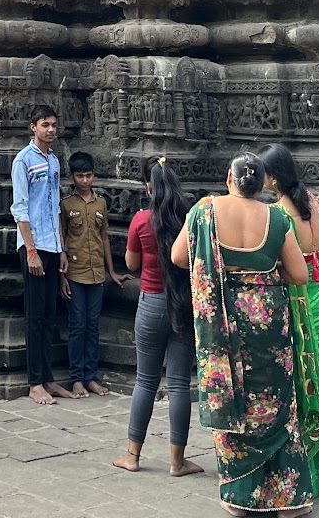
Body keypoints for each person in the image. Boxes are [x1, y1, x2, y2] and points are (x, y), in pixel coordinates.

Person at [172, 152, 313, 515]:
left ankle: (240, 497)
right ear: (264, 181)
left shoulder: (204, 212)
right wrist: (262, 277)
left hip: (221, 324)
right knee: (275, 402)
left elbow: (178, 257)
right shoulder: (277, 217)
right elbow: (299, 276)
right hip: (267, 323)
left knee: (233, 398)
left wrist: (221, 272)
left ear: (228, 179)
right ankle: (288, 500)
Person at [261, 146, 319, 496]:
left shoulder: (279, 213)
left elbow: (274, 260)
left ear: (272, 177)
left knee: (300, 378)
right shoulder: (314, 206)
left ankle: (307, 470)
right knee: (314, 370)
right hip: (316, 295)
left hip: (295, 298)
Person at [113, 157, 202, 479]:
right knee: (179, 384)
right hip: (182, 306)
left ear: (148, 187)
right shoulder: (188, 218)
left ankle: (132, 454)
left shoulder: (141, 220)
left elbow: (132, 265)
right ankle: (178, 462)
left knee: (145, 381)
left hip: (150, 304)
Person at [10, 104, 73, 406]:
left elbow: (55, 206)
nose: (51, 130)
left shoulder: (54, 161)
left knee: (50, 315)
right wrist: (31, 250)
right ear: (32, 127)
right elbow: (20, 209)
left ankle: (48, 378)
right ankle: (34, 382)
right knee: (35, 316)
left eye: (53, 125)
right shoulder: (23, 160)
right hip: (33, 246)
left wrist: (61, 250)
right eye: (45, 124)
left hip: (52, 245)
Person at [59, 151, 125, 398]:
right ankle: (76, 378)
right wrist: (61, 277)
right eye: (80, 176)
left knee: (93, 326)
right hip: (74, 273)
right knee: (78, 325)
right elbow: (61, 239)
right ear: (72, 176)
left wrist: (112, 271)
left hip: (97, 273)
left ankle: (91, 376)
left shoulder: (101, 203)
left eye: (88, 175)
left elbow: (104, 237)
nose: (85, 180)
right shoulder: (66, 204)